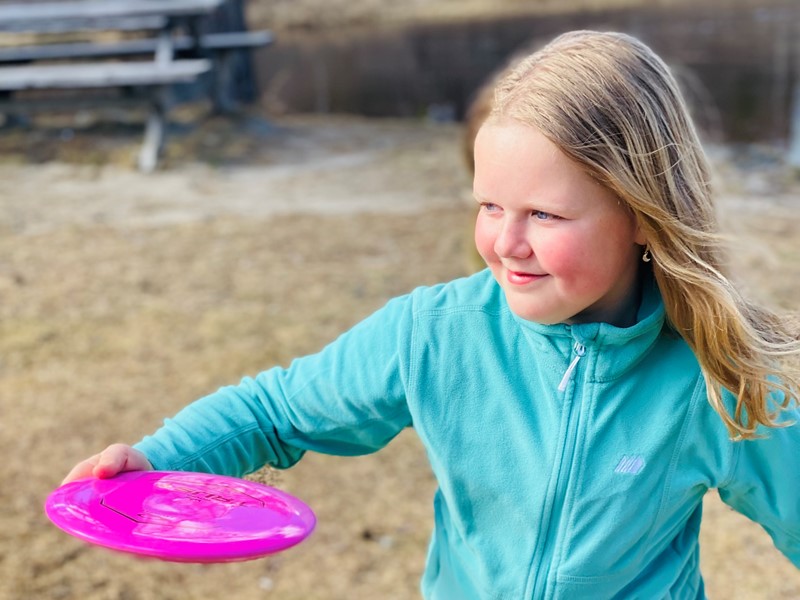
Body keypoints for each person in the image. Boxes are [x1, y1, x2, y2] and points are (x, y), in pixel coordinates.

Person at [64, 30, 800, 599]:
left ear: (642, 212)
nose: (506, 243)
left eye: (544, 214)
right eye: (490, 205)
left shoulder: (717, 375)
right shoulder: (438, 335)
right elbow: (273, 412)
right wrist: (158, 464)